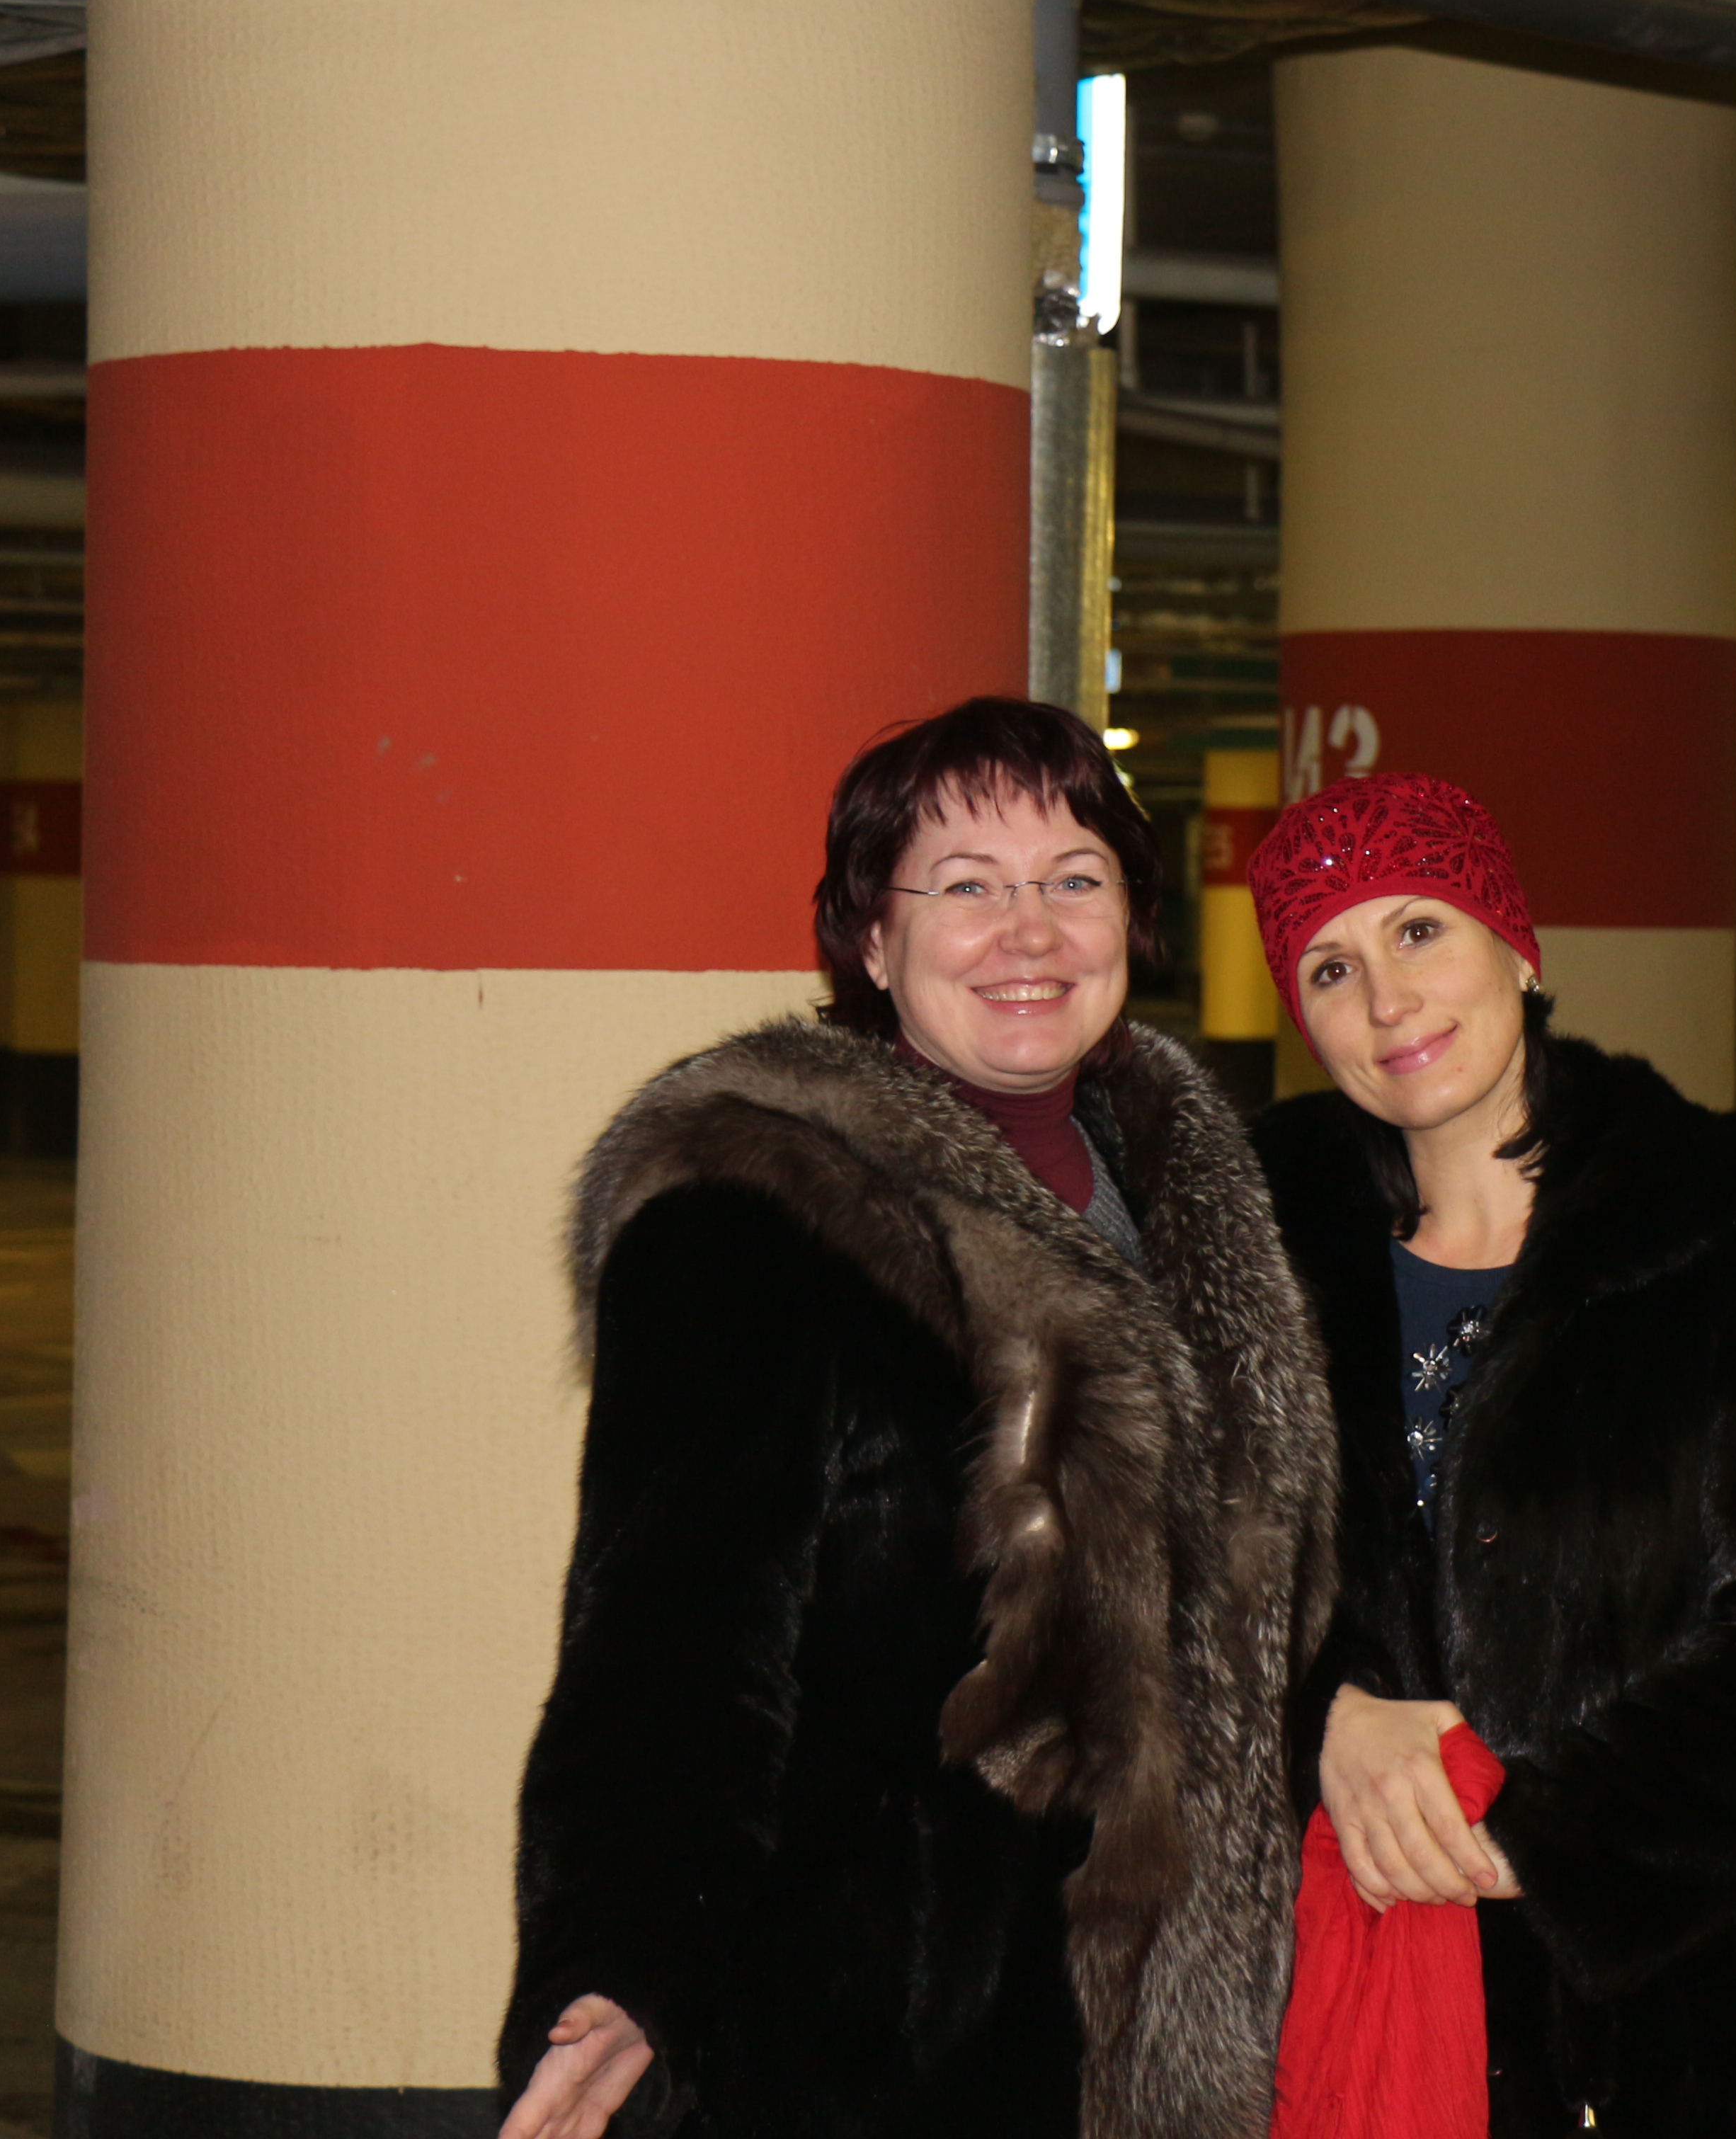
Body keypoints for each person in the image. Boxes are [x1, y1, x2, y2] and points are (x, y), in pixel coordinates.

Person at [496, 697, 1338, 2139]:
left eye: (1074, 879)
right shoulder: (751, 1223)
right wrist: (624, 1960)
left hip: (1195, 2030)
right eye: (966, 888)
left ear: (1131, 920)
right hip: (883, 2040)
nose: (1030, 931)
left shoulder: (1206, 1205)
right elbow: (670, 1645)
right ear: (872, 943)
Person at [1244, 772, 1736, 2139]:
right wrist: (1320, 1720)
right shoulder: (1250, 1254)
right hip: (1336, 1990)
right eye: (1331, 968)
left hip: (1660, 2022)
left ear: (1518, 945)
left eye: (1419, 930)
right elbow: (1167, 1582)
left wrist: (1547, 1845)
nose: (1388, 1002)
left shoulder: (1726, 1227)